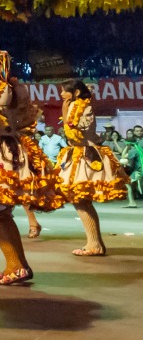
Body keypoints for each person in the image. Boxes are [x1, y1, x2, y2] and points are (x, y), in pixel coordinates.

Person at [0, 49, 62, 283]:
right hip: (13, 146)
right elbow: (24, 121)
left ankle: (16, 265)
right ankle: (18, 264)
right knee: (0, 211)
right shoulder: (15, 88)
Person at [56, 79, 126, 256]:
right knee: (79, 200)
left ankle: (94, 244)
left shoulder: (82, 107)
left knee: (81, 200)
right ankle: (94, 243)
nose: (61, 94)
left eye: (64, 91)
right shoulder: (76, 105)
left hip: (84, 156)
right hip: (77, 154)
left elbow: (76, 135)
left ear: (76, 93)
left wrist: (64, 113)